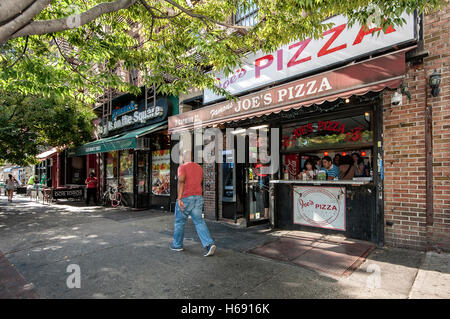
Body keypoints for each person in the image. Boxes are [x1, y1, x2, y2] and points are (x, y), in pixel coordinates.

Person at [171, 150, 216, 257]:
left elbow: (181, 181)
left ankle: (177, 245)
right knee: (199, 222)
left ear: (184, 157)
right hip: (198, 197)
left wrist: (179, 198)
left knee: (179, 222)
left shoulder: (182, 167)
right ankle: (209, 244)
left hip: (186, 197)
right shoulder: (199, 168)